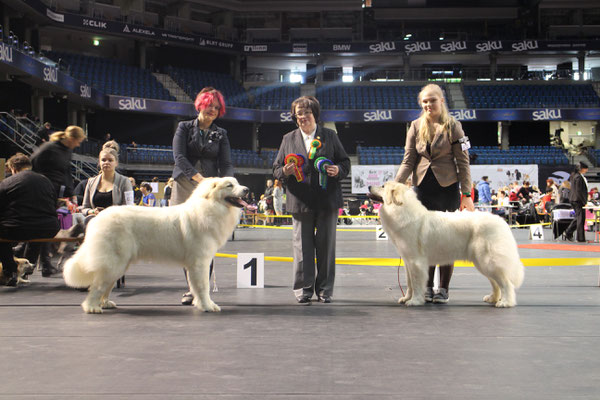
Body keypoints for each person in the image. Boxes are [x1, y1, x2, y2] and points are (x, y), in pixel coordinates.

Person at [394, 83, 474, 304]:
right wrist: (395, 186)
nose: (429, 104)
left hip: (448, 189)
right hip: (422, 190)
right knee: (424, 241)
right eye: (425, 101)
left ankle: (443, 289)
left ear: (441, 101)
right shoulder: (415, 125)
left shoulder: (454, 126)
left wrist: (466, 194)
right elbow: (409, 159)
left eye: (433, 100)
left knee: (447, 240)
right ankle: (426, 287)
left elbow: (463, 162)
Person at [273, 95, 351, 304]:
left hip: (327, 200)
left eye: (307, 112)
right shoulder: (288, 139)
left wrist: (338, 170)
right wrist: (285, 171)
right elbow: (276, 169)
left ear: (315, 114)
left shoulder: (330, 136)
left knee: (326, 246)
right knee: (302, 247)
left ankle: (325, 290)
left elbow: (345, 162)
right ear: (295, 117)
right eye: (299, 113)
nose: (303, 117)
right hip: (300, 200)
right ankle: (304, 289)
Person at [171, 87, 233, 305]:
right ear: (200, 105)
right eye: (209, 105)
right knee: (186, 239)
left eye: (217, 107)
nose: (213, 110)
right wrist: (199, 179)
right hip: (185, 185)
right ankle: (191, 289)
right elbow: (179, 157)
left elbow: (225, 164)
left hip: (210, 192)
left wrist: (229, 185)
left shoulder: (221, 134)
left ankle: (202, 291)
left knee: (206, 240)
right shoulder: (184, 128)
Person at [30, 125, 85, 276]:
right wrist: (40, 182)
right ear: (72, 138)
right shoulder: (49, 147)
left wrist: (71, 192)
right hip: (43, 192)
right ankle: (43, 264)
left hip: (55, 194)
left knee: (46, 227)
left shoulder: (68, 151)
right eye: (78, 141)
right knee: (47, 226)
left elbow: (66, 172)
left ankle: (40, 263)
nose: (78, 144)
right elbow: (33, 162)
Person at [0, 154, 60, 286]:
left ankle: (10, 271)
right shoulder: (46, 181)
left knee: (3, 236)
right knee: (37, 230)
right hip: (48, 229)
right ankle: (26, 268)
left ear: (13, 168)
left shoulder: (7, 183)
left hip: (17, 229)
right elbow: (54, 204)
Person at [81, 141, 134, 218]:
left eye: (110, 160)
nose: (106, 162)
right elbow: (84, 208)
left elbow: (129, 208)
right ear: (99, 162)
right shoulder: (91, 182)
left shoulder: (125, 181)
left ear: (116, 163)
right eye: (103, 160)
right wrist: (92, 211)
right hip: (96, 224)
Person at [564, 162, 589, 242]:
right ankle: (579, 237)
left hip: (574, 199)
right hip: (578, 199)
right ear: (582, 169)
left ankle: (569, 231)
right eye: (586, 168)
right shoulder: (578, 177)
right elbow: (579, 190)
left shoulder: (574, 175)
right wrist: (584, 201)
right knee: (581, 218)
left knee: (579, 218)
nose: (587, 170)